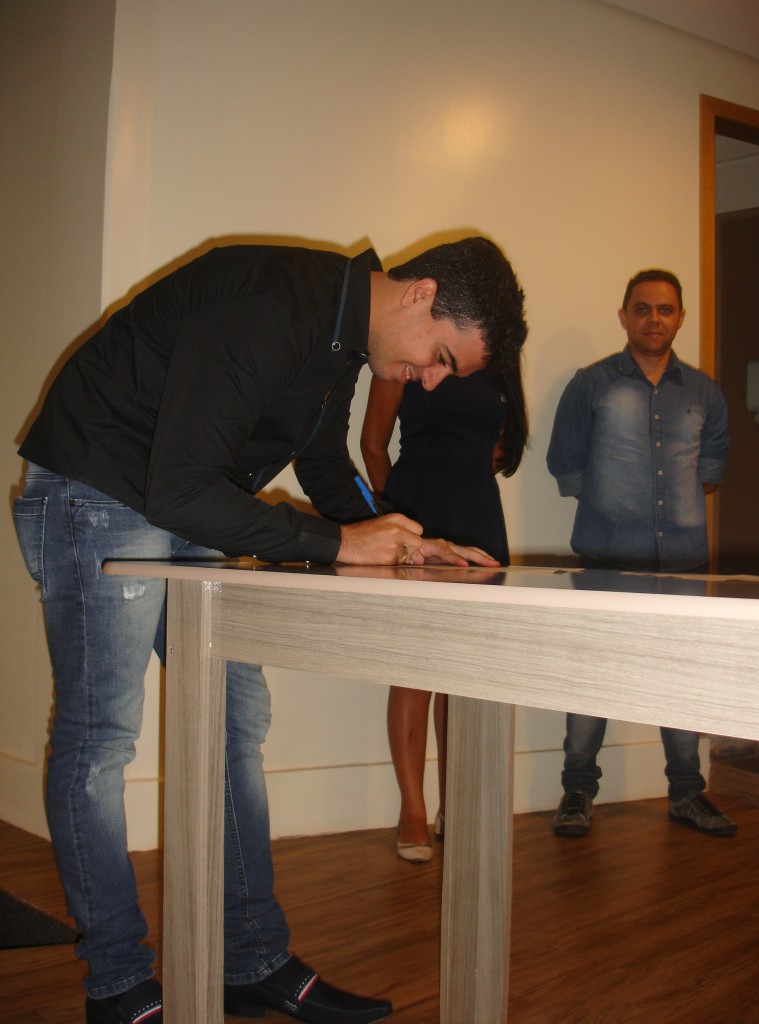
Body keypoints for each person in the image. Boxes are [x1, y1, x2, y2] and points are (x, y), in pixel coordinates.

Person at [12, 236, 527, 1024]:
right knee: (102, 737)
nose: (429, 380)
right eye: (442, 359)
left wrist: (401, 538)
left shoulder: (343, 334)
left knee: (235, 719)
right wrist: (339, 543)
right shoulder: (277, 305)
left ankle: (249, 959)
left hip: (180, 494)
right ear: (421, 296)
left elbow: (319, 461)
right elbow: (181, 487)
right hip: (100, 483)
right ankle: (117, 985)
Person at [546, 268, 737, 840]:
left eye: (665, 309)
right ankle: (577, 792)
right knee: (591, 679)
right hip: (606, 561)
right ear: (624, 316)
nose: (655, 318)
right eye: (643, 308)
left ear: (680, 318)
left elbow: (710, 472)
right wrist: (616, 506)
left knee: (681, 681)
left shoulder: (704, 392)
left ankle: (687, 794)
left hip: (684, 566)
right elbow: (565, 463)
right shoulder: (592, 384)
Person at [361, 362, 527, 862]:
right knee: (413, 670)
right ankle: (412, 810)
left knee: (464, 675)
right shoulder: (408, 352)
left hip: (479, 517)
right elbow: (372, 444)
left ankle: (455, 803)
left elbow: (498, 446)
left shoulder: (498, 358)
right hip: (419, 512)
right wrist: (399, 522)